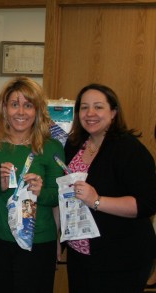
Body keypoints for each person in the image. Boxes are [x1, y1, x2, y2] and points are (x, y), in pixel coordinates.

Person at [64, 83, 156, 293]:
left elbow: (147, 203)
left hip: (121, 256)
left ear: (113, 112)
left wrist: (97, 201)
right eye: (84, 107)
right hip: (81, 253)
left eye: (98, 107)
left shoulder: (129, 149)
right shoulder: (75, 144)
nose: (90, 113)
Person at [0, 77, 64, 293]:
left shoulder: (51, 147)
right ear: (4, 109)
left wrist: (41, 192)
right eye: (14, 105)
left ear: (38, 110)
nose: (21, 112)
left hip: (39, 239)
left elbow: (59, 195)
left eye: (28, 105)